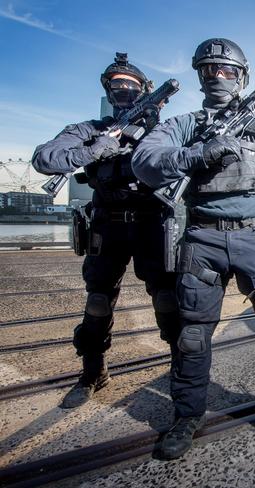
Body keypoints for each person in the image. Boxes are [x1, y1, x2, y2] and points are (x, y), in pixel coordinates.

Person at [131, 38, 255, 461]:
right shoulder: (186, 124)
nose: (218, 76)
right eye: (209, 70)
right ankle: (186, 416)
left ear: (242, 76)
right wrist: (199, 153)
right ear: (200, 76)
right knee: (193, 338)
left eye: (227, 70)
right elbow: (144, 161)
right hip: (202, 237)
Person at [32, 53, 180, 408]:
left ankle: (182, 370)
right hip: (107, 223)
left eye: (131, 85)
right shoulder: (91, 129)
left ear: (145, 90)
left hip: (151, 222)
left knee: (167, 298)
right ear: (108, 91)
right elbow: (44, 158)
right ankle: (93, 373)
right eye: (116, 85)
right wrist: (97, 148)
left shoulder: (162, 132)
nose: (124, 90)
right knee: (98, 301)